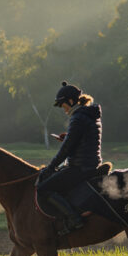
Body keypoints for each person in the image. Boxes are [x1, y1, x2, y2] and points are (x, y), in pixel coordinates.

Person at [37, 81, 102, 234]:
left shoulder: (78, 117)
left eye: (63, 104)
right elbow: (81, 138)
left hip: (81, 167)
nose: (62, 108)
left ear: (71, 101)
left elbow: (67, 149)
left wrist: (51, 167)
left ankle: (74, 219)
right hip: (90, 163)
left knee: (43, 189)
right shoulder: (87, 113)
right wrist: (67, 138)